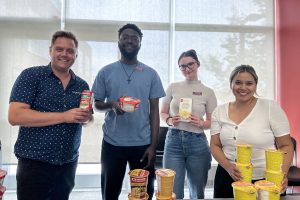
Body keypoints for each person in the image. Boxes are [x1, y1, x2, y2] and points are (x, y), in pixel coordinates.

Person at [8, 30, 92, 200]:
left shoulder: (82, 84)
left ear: (76, 55)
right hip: (34, 164)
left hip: (67, 164)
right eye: (59, 49)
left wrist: (87, 118)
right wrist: (64, 116)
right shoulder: (31, 76)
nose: (64, 54)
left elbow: (87, 118)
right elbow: (15, 116)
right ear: (50, 51)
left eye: (70, 51)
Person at [92, 23, 165, 200]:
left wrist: (153, 147)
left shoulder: (151, 74)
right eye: (125, 37)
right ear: (118, 41)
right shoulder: (106, 72)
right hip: (112, 144)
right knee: (110, 193)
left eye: (134, 38)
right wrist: (112, 104)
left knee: (142, 194)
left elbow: (154, 112)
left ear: (140, 43)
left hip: (142, 145)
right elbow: (97, 104)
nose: (129, 41)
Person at [210, 65, 294, 198]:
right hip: (227, 177)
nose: (243, 87)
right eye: (238, 82)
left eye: (249, 83)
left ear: (255, 85)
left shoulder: (270, 108)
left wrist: (282, 174)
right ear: (231, 84)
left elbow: (286, 145)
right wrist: (228, 167)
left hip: (265, 180)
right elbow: (215, 145)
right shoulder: (219, 112)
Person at [160, 49, 217, 199]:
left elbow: (213, 122)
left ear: (198, 64)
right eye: (182, 66)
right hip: (173, 141)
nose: (187, 68)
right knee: (172, 192)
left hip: (197, 142)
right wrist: (170, 120)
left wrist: (201, 122)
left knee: (197, 193)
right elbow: (163, 112)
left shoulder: (208, 92)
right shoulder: (173, 87)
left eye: (190, 64)